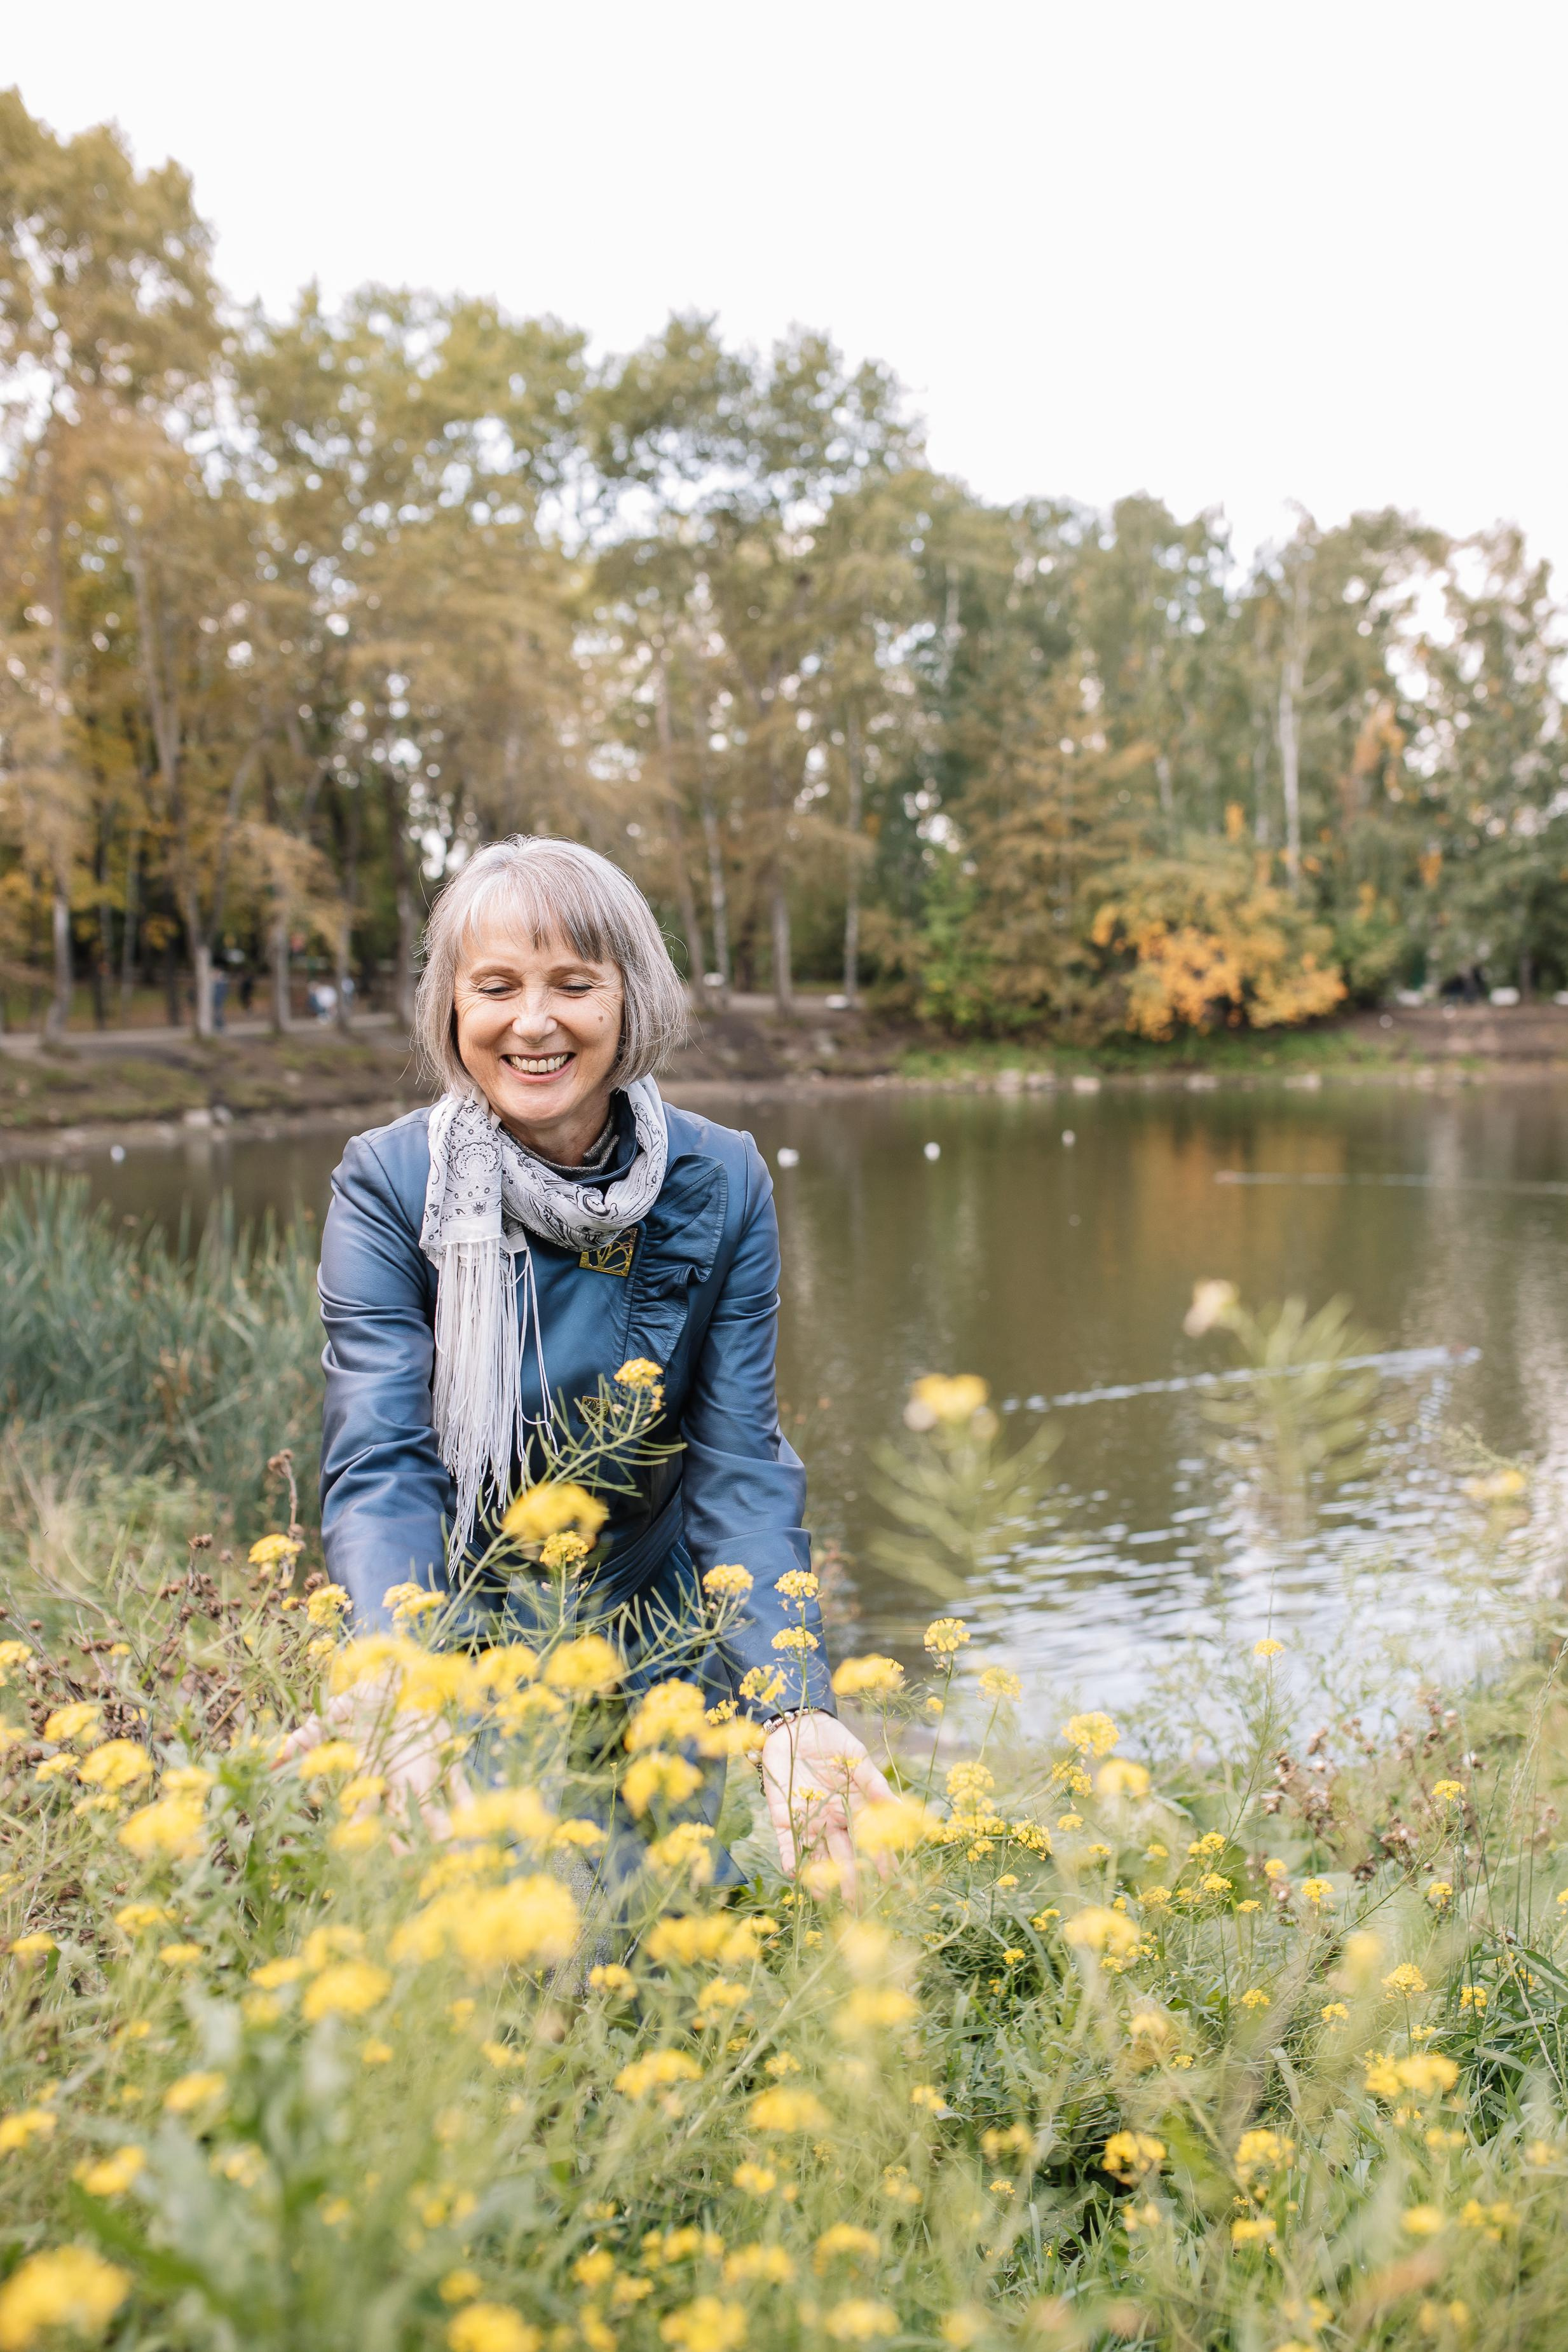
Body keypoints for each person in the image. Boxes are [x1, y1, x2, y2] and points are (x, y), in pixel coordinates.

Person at [304, 834, 890, 1884]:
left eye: (573, 984)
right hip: (463, 1623)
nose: (533, 1022)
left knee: (655, 1936)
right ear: (452, 1009)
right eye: (496, 987)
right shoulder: (387, 1185)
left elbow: (739, 1466)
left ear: (630, 1000)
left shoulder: (724, 1179)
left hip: (656, 1633)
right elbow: (381, 1464)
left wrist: (793, 1703)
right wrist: (399, 1679)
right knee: (489, 1935)